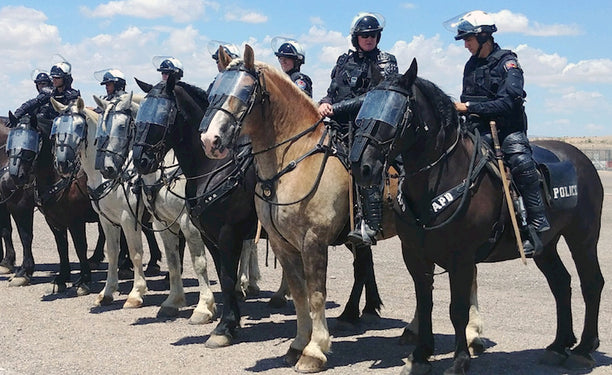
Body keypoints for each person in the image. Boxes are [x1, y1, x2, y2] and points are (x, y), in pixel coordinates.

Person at [446, 10, 550, 257]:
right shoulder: (471, 65)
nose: (466, 45)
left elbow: (509, 103)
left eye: (469, 39)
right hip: (476, 129)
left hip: (507, 130)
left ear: (484, 36)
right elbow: (466, 100)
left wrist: (470, 108)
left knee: (521, 163)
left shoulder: (508, 62)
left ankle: (534, 225)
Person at [318, 12, 398, 246]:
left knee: (364, 163)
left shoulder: (386, 60)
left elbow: (377, 96)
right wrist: (324, 102)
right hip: (338, 124)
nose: (369, 38)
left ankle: (369, 223)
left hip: (368, 127)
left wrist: (336, 108)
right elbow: (333, 91)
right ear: (356, 37)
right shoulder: (344, 60)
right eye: (364, 35)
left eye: (373, 35)